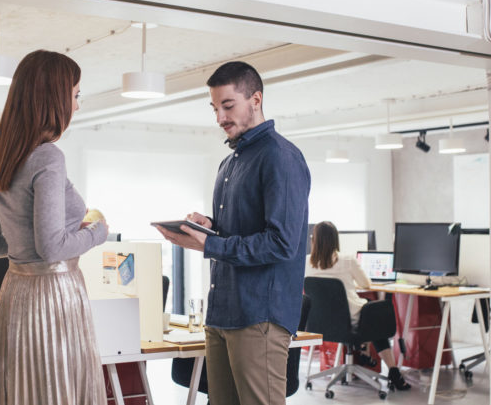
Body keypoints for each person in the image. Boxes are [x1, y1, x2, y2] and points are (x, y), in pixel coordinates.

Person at [157, 61, 311, 405]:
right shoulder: (230, 163)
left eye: (228, 105)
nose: (220, 117)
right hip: (222, 312)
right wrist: (210, 227)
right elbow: (242, 230)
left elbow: (282, 243)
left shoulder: (281, 157)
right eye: (215, 108)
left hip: (259, 316)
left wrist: (210, 244)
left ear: (256, 99)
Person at [0, 49, 108, 405]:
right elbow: (51, 248)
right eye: (75, 95)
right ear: (55, 98)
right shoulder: (48, 156)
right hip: (54, 294)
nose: (76, 105)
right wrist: (96, 232)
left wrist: (26, 245)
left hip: (16, 294)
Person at [305, 220, 411, 391]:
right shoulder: (347, 260)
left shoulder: (306, 262)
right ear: (335, 239)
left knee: (369, 312)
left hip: (320, 324)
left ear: (313, 240)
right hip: (350, 322)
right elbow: (366, 284)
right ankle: (392, 370)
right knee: (375, 316)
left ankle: (365, 350)